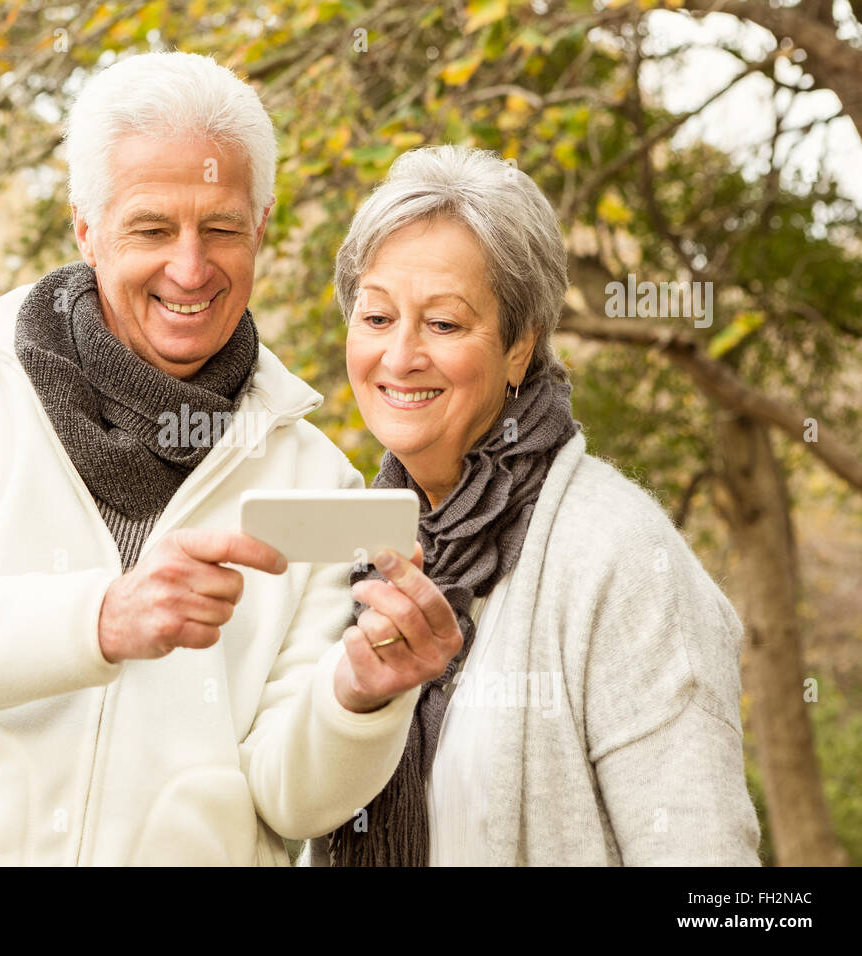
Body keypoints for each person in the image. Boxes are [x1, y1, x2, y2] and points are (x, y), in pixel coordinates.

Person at [0, 51, 460, 866]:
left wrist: (359, 699)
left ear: (261, 227)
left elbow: (290, 799)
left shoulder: (314, 475)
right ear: (87, 228)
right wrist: (101, 619)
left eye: (222, 228)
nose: (189, 269)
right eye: (152, 229)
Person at [303, 145, 761, 866]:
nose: (399, 356)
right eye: (378, 317)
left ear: (520, 347)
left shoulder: (619, 554)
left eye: (444, 324)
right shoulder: (354, 541)